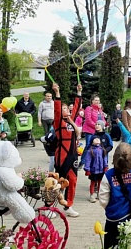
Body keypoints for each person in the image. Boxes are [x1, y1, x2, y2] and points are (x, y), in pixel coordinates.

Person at [99, 142, 131, 249]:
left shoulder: (108, 175)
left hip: (114, 218)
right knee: (130, 244)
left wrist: (112, 207)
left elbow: (103, 200)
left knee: (111, 245)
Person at [52, 83, 81, 218]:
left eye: (67, 108)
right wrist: (57, 93)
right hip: (62, 156)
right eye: (64, 108)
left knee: (73, 180)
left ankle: (68, 206)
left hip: (73, 156)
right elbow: (57, 110)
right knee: (58, 181)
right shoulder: (58, 122)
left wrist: (79, 92)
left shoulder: (71, 121)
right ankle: (50, 206)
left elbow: (76, 107)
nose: (67, 110)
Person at [79, 94, 106, 170]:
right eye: (96, 100)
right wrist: (96, 126)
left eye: (98, 100)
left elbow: (103, 120)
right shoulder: (89, 108)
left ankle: (95, 162)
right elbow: (88, 120)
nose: (97, 102)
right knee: (88, 145)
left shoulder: (100, 110)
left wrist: (103, 125)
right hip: (90, 130)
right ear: (92, 101)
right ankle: (82, 162)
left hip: (98, 131)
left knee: (98, 146)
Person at [84, 137, 108, 203]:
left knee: (100, 183)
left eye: (98, 139)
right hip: (93, 170)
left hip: (101, 170)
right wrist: (87, 169)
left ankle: (99, 195)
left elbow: (105, 159)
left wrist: (105, 166)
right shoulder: (90, 150)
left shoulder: (102, 150)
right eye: (95, 139)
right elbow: (87, 160)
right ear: (92, 141)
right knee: (93, 183)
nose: (97, 139)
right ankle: (92, 195)